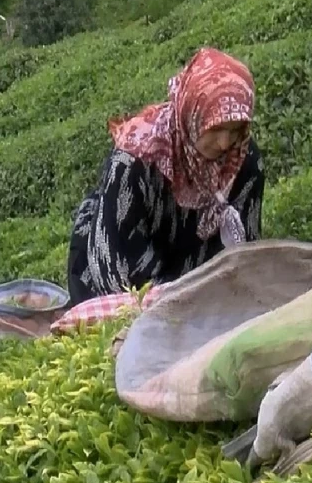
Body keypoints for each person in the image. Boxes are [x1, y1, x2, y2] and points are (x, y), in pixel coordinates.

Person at [65, 47, 266, 307]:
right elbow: (118, 264)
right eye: (215, 128)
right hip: (124, 267)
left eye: (236, 129)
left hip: (196, 274)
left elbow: (245, 249)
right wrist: (168, 301)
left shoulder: (244, 159)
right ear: (192, 115)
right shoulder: (136, 158)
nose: (225, 142)